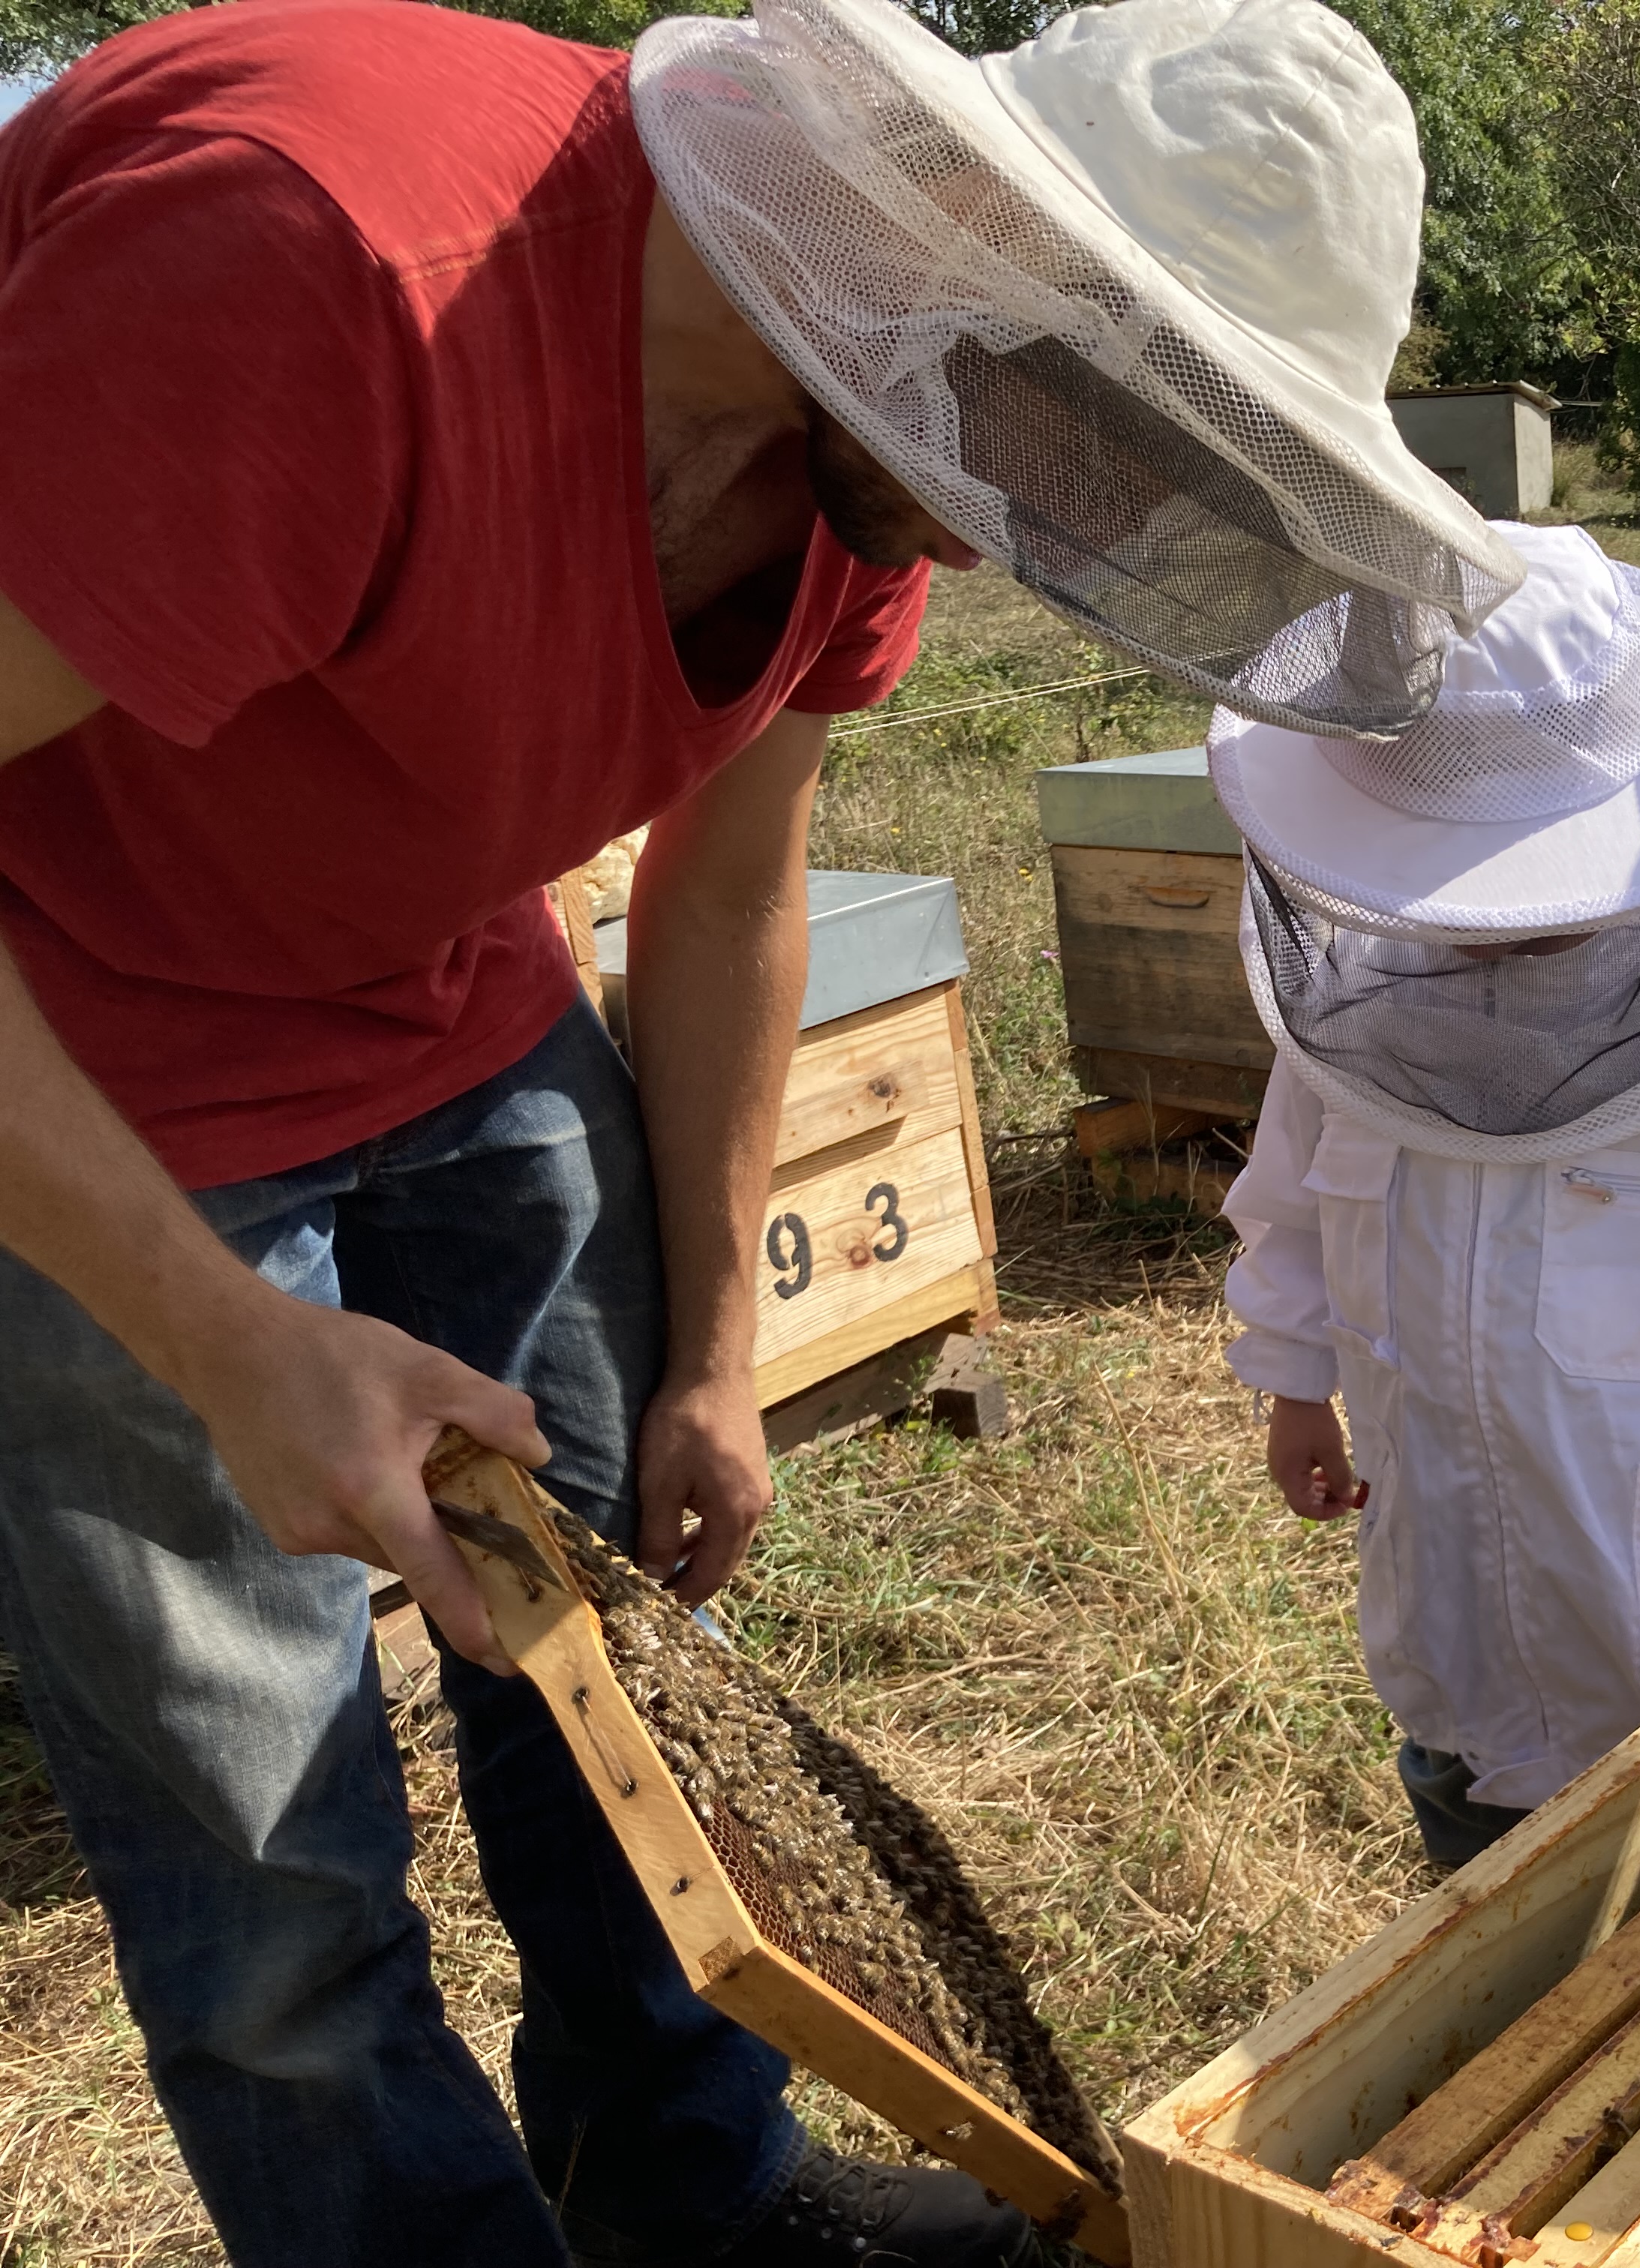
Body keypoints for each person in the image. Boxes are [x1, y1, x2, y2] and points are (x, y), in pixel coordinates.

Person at [0, 0, 1518, 2258]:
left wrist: (718, 1344)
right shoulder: (326, 268)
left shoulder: (879, 437)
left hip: (455, 1017)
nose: (1049, 528)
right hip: (101, 1058)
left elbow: (731, 887)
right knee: (266, 1853)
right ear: (955, 253)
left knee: (622, 1692)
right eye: (1091, 429)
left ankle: (691, 2197)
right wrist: (224, 1340)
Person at [1213, 522, 1640, 1864]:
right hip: (1444, 1518)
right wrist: (1294, 1373)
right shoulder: (1353, 1028)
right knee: (1474, 1798)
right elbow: (1291, 1203)